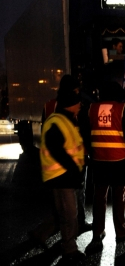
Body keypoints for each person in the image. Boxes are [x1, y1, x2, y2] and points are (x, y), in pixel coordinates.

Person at [85, 81, 125, 253]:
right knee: (118, 197)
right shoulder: (122, 109)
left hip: (98, 159)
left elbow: (86, 134)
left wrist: (90, 154)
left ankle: (97, 232)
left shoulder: (91, 109)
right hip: (119, 159)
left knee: (99, 197)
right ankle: (121, 231)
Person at [39, 74, 92, 235]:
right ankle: (75, 227)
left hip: (55, 165)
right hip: (71, 160)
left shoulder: (48, 106)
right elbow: (84, 131)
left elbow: (44, 133)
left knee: (60, 202)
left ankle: (61, 227)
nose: (78, 92)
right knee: (75, 197)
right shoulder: (74, 105)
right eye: (77, 89)